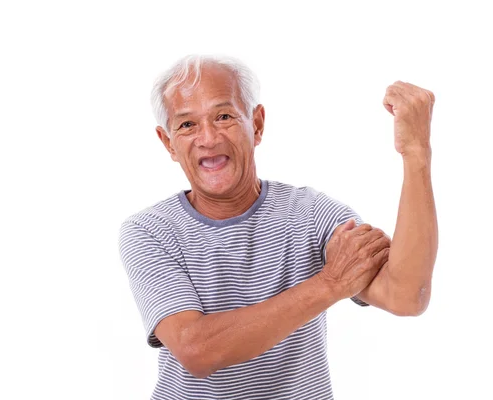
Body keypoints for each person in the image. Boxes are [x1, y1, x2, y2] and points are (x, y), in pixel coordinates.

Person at [118, 54, 438, 400]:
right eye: (187, 125)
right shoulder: (149, 232)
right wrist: (330, 284)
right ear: (169, 144)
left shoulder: (311, 214)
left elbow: (407, 296)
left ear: (256, 125)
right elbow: (198, 350)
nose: (207, 138)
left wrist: (416, 153)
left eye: (223, 116)